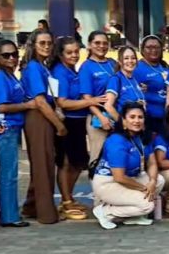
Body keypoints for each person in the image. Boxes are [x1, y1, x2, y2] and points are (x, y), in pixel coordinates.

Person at [51, 37, 107, 220]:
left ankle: (69, 198)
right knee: (66, 163)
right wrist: (91, 101)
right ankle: (66, 201)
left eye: (76, 51)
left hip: (79, 122)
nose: (74, 55)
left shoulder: (72, 70)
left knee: (77, 163)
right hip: (68, 122)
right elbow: (63, 102)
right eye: (69, 52)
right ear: (60, 54)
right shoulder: (60, 72)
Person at [91, 102, 165, 230]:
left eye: (140, 117)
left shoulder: (142, 137)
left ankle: (133, 216)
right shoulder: (116, 141)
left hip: (131, 178)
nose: (137, 121)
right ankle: (105, 211)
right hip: (108, 183)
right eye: (132, 117)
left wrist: (152, 182)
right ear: (124, 121)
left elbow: (152, 163)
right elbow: (119, 177)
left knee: (159, 180)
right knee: (147, 205)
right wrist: (143, 188)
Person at [20, 30, 67, 224]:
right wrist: (59, 125)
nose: (46, 46)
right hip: (38, 118)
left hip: (45, 116)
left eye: (49, 43)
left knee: (44, 162)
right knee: (43, 166)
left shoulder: (43, 67)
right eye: (42, 43)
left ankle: (31, 206)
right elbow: (39, 101)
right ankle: (46, 214)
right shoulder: (33, 68)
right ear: (33, 45)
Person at [0, 40, 33, 227]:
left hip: (11, 129)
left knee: (8, 173)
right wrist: (28, 105)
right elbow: (2, 106)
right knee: (8, 174)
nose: (11, 58)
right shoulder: (0, 77)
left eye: (14, 54)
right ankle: (10, 216)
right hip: (6, 130)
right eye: (6, 55)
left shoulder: (11, 76)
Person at [79, 31, 117, 164]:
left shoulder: (113, 63)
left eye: (105, 43)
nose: (101, 46)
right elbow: (86, 97)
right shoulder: (86, 67)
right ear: (89, 45)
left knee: (115, 157)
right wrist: (101, 117)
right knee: (98, 159)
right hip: (98, 118)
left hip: (116, 115)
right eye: (97, 43)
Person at [134, 36, 169, 141]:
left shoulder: (165, 67)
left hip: (165, 118)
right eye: (149, 47)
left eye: (157, 47)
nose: (153, 50)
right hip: (148, 119)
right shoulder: (137, 68)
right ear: (142, 50)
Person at [104, 46, 146, 125]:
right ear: (120, 61)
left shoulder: (135, 79)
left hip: (137, 127)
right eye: (126, 58)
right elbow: (108, 106)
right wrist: (123, 124)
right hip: (126, 130)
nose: (130, 61)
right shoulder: (116, 79)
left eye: (133, 58)